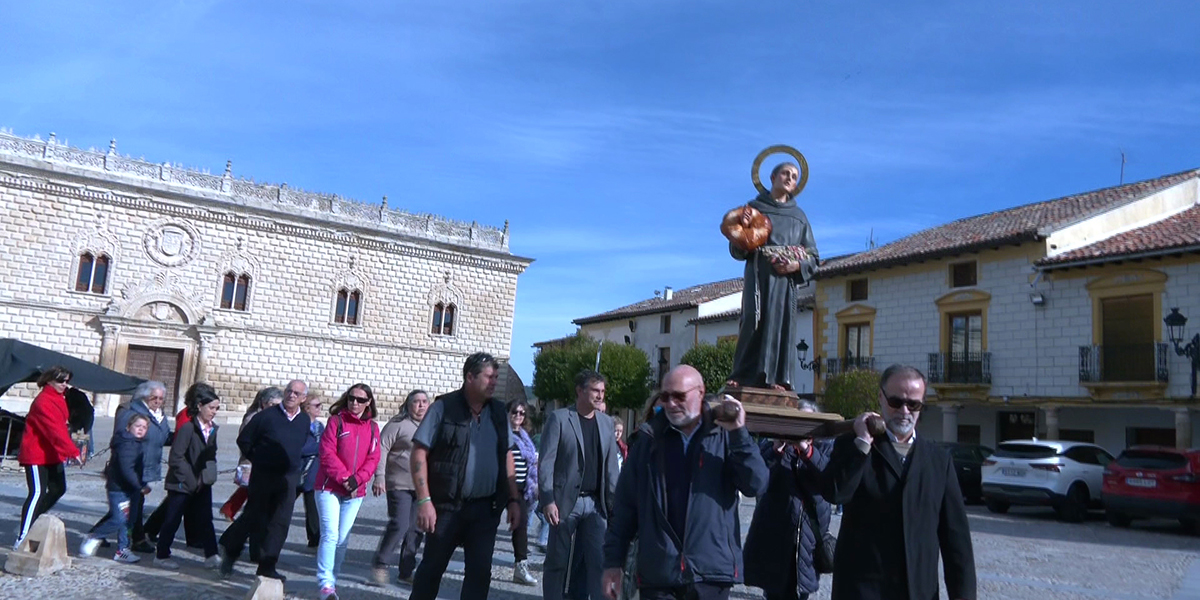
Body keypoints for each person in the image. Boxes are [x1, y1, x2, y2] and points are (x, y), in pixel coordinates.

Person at [602, 365, 769, 600]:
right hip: (659, 573)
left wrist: (739, 434)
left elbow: (756, 483)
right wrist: (613, 563)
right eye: (665, 396)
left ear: (700, 393)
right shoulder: (648, 441)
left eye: (679, 396)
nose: (671, 403)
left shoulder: (724, 436)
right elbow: (625, 508)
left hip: (710, 573)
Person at [821, 365, 976, 600]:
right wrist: (862, 442)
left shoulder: (938, 461)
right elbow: (836, 493)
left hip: (918, 593)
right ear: (881, 398)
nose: (904, 410)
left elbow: (957, 544)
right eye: (896, 401)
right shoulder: (853, 447)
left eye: (913, 404)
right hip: (862, 592)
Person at [408, 353, 522, 600]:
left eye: (496, 377)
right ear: (470, 377)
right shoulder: (443, 408)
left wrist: (513, 500)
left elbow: (507, 456)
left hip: (485, 509)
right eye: (489, 377)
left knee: (480, 575)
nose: (494, 382)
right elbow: (419, 453)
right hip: (446, 507)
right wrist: (424, 500)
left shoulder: (500, 413)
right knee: (431, 570)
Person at [726, 161, 819, 391]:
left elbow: (814, 257)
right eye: (786, 173)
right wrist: (744, 236)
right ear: (773, 177)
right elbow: (737, 247)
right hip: (758, 275)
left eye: (795, 176)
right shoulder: (754, 208)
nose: (790, 179)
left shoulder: (799, 217)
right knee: (752, 320)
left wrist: (795, 265)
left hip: (784, 282)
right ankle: (742, 375)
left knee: (781, 324)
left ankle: (779, 378)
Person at [218, 380, 312, 581]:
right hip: (264, 475)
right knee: (254, 517)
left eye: (296, 393)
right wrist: (259, 459)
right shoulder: (266, 416)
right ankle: (231, 550)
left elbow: (300, 444)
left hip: (288, 478)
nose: (291, 396)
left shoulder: (304, 420)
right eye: (289, 391)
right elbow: (244, 440)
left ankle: (267, 565)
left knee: (280, 522)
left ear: (303, 398)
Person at [540, 369, 620, 600]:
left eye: (603, 391)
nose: (600, 396)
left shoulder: (606, 423)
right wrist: (548, 500)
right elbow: (546, 462)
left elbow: (611, 468)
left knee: (600, 561)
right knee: (557, 560)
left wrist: (615, 505)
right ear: (580, 391)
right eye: (595, 390)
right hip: (565, 502)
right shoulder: (560, 418)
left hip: (597, 504)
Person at [743, 400, 831, 600]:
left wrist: (807, 451)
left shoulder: (823, 448)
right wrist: (776, 448)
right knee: (775, 592)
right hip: (776, 538)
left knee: (801, 592)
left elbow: (829, 481)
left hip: (808, 540)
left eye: (807, 424)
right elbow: (756, 480)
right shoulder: (773, 447)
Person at [314, 383, 382, 600]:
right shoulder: (336, 421)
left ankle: (332, 579)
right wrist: (345, 479)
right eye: (352, 398)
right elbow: (326, 453)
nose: (355, 403)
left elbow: (374, 458)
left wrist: (358, 480)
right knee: (330, 534)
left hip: (356, 491)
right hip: (330, 487)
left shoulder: (372, 427)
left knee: (343, 538)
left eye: (361, 400)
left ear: (368, 402)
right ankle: (325, 584)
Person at [153, 383, 221, 569]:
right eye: (211, 408)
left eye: (216, 408)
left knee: (206, 519)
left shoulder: (212, 429)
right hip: (182, 483)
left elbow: (210, 455)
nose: (214, 412)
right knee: (172, 519)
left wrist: (208, 476)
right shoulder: (187, 428)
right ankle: (161, 554)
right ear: (200, 406)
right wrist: (190, 480)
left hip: (202, 482)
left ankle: (211, 554)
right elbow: (176, 457)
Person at [99, 380, 171, 554]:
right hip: (132, 464)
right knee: (134, 502)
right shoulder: (131, 412)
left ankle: (99, 531)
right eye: (155, 397)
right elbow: (122, 437)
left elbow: (164, 436)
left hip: (147, 463)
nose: (158, 401)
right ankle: (136, 539)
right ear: (145, 396)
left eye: (162, 398)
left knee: (131, 502)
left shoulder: (160, 415)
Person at [15, 366, 81, 549]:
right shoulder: (43, 401)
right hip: (36, 455)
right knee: (36, 493)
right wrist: (72, 452)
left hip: (52, 454)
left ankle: (34, 522)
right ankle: (22, 536)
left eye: (67, 381)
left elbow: (62, 426)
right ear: (49, 380)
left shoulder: (60, 398)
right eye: (61, 381)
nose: (64, 385)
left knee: (58, 488)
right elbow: (54, 431)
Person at [371, 390, 430, 586]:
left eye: (424, 402)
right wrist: (379, 476)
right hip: (398, 483)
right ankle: (380, 564)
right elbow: (382, 448)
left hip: (422, 487)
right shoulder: (398, 424)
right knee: (400, 523)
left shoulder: (432, 427)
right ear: (408, 404)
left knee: (417, 529)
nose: (420, 406)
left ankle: (406, 571)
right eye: (416, 402)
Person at [80, 412, 149, 563]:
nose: (141, 429)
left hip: (131, 489)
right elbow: (127, 469)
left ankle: (123, 549)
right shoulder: (127, 444)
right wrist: (140, 486)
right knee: (119, 519)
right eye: (138, 426)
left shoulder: (135, 443)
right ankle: (95, 535)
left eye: (144, 427)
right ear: (128, 427)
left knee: (128, 521)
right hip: (119, 489)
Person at [219, 386, 284, 522]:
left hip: (263, 462)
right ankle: (233, 513)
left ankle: (230, 510)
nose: (275, 408)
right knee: (251, 491)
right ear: (263, 403)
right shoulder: (254, 418)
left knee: (249, 491)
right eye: (272, 405)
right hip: (252, 460)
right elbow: (245, 439)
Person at [507, 398, 539, 586]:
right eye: (514, 412)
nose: (518, 416)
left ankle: (520, 566)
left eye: (521, 413)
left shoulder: (525, 437)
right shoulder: (501, 433)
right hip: (501, 486)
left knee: (521, 526)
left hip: (522, 488)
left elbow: (531, 463)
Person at [299, 393, 325, 550]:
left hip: (313, 472)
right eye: (316, 405)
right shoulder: (300, 425)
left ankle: (314, 540)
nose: (320, 408)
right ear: (306, 408)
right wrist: (319, 448)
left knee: (313, 506)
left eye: (320, 405)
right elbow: (300, 448)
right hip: (298, 470)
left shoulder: (319, 426)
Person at [64, 387, 95, 462]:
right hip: (78, 417)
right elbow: (68, 410)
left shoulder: (78, 395)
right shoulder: (67, 398)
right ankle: (72, 450)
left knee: (87, 432)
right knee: (73, 431)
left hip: (87, 415)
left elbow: (83, 408)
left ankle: (90, 451)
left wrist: (72, 417)